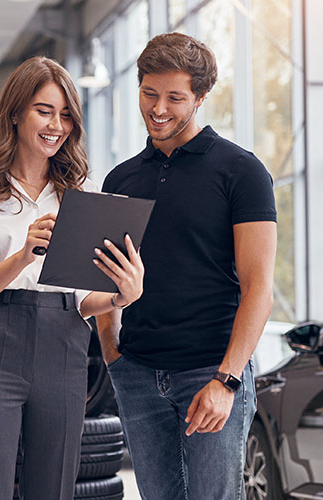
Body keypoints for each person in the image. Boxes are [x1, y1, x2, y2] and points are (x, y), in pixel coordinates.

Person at [0, 56, 145, 500]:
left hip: (64, 346)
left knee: (53, 488)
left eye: (66, 114)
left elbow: (82, 297)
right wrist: (21, 257)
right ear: (15, 114)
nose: (57, 125)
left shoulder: (81, 195)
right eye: (44, 110)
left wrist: (119, 296)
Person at [96, 32, 277, 500]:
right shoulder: (122, 178)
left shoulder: (241, 172)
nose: (159, 109)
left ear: (200, 97)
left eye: (175, 98)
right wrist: (114, 355)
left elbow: (259, 287)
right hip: (137, 373)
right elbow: (106, 275)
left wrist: (227, 380)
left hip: (210, 372)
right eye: (149, 93)